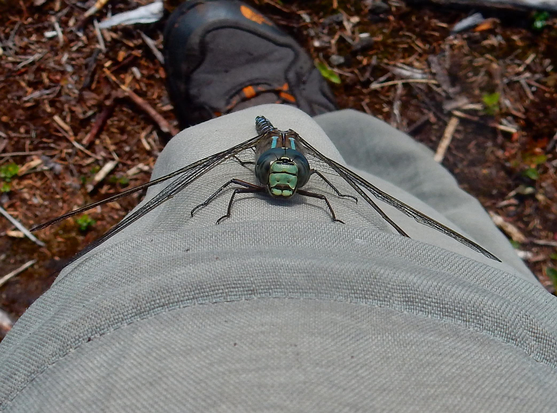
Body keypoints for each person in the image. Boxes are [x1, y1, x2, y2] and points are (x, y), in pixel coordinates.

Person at [1, 1, 556, 411]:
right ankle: (309, 124)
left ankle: (253, 118)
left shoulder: (254, 176)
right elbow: (329, 192)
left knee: (219, 164)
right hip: (507, 363)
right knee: (420, 202)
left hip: (119, 365)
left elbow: (233, 188)